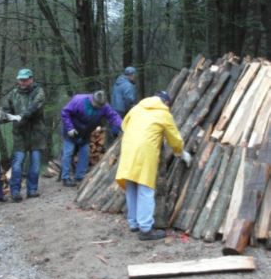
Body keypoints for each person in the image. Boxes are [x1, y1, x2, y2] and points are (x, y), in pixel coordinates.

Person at [115, 91, 192, 241]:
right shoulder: (164, 114)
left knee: (132, 185)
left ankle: (134, 223)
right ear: (166, 103)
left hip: (129, 148)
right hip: (145, 151)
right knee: (146, 188)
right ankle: (145, 229)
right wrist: (181, 153)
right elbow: (174, 138)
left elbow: (124, 125)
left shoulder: (137, 108)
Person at [1, 68, 46, 202]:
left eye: (25, 80)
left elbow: (35, 106)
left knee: (35, 163)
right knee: (17, 163)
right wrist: (5, 116)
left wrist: (21, 116)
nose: (23, 82)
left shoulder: (39, 91)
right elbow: (5, 109)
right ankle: (15, 191)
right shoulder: (13, 94)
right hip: (20, 133)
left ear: (31, 79)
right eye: (21, 80)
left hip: (36, 133)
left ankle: (32, 190)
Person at [61, 90, 121, 187]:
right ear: (92, 99)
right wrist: (70, 128)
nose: (98, 107)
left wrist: (122, 125)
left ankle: (80, 176)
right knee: (68, 152)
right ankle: (65, 177)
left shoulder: (104, 106)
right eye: (96, 104)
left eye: (100, 106)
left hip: (85, 132)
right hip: (72, 130)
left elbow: (113, 116)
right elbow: (65, 112)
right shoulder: (78, 100)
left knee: (84, 152)